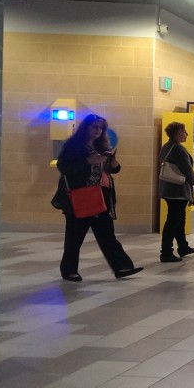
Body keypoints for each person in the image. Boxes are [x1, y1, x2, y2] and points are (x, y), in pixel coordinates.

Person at [51, 114, 143, 282]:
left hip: (101, 196)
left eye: (100, 128)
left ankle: (122, 267)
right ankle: (69, 270)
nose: (98, 131)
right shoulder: (74, 146)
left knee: (107, 235)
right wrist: (88, 161)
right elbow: (63, 166)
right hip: (80, 197)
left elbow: (109, 169)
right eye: (94, 127)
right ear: (85, 127)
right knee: (74, 236)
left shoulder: (101, 146)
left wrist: (114, 164)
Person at [159, 121, 194, 263]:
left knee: (179, 219)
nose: (186, 134)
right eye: (184, 131)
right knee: (173, 221)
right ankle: (166, 252)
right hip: (177, 190)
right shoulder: (178, 148)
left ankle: (183, 246)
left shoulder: (166, 146)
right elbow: (186, 168)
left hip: (169, 188)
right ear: (177, 133)